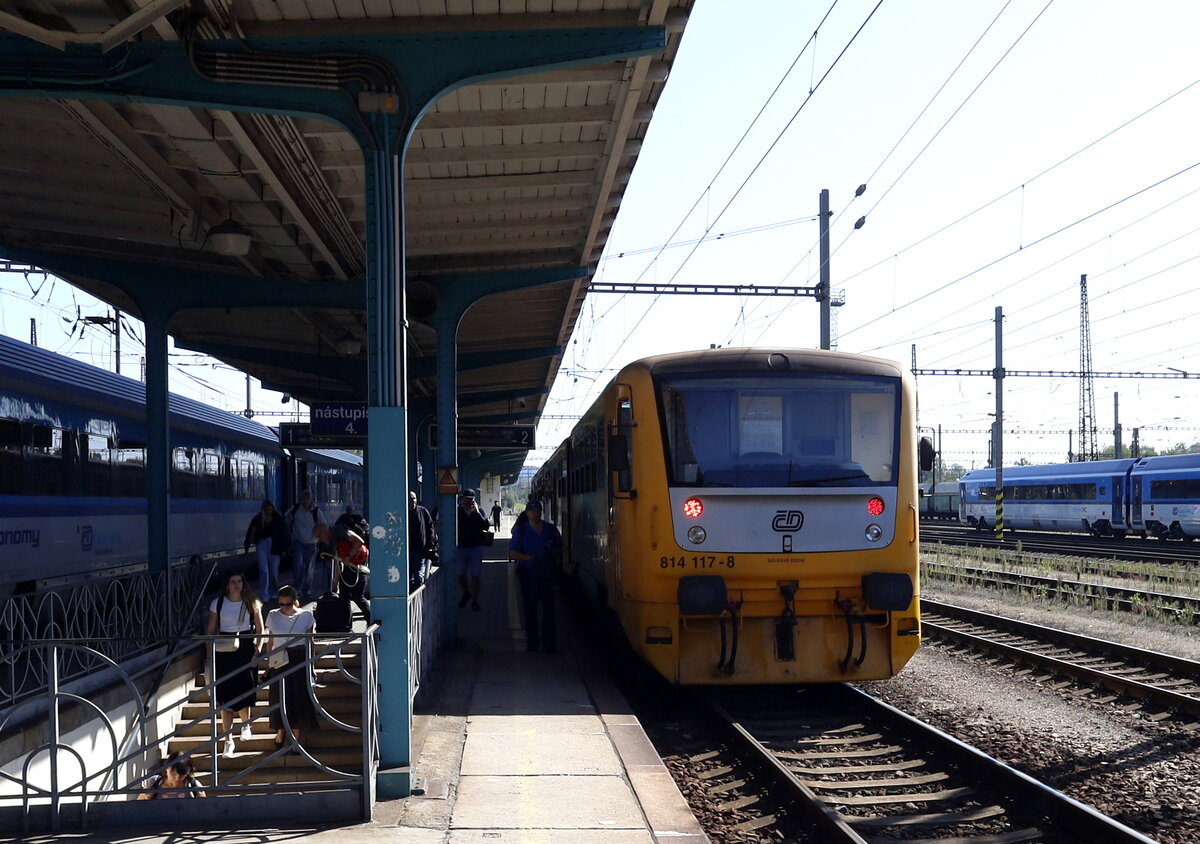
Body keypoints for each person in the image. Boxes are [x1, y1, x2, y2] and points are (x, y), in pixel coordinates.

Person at [205, 573, 263, 758]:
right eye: (233, 582)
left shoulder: (251, 602)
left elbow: (261, 629)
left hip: (245, 646)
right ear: (227, 585)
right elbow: (210, 631)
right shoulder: (218, 603)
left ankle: (246, 725)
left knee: (245, 689)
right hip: (224, 649)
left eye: (239, 581)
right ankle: (227, 740)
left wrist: (258, 650)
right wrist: (209, 656)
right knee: (224, 696)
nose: (237, 585)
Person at [262, 585, 317, 751]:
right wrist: (268, 664)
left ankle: (296, 735)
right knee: (279, 696)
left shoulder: (306, 615)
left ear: (295, 602)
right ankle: (280, 729)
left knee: (298, 696)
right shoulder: (273, 615)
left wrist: (312, 664)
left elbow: (310, 641)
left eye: (287, 604)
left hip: (299, 657)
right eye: (281, 604)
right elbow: (270, 641)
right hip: (280, 659)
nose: (284, 607)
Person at [508, 500, 563, 653]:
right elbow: (512, 553)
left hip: (547, 574)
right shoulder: (521, 531)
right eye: (532, 511)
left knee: (549, 610)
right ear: (527, 513)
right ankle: (532, 643)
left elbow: (560, 548)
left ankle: (549, 644)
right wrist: (531, 558)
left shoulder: (551, 530)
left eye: (537, 510)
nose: (535, 513)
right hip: (528, 574)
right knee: (530, 609)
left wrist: (549, 555)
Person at [455, 490, 491, 611]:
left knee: (475, 575)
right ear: (462, 499)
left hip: (476, 547)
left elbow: (486, 526)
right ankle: (466, 592)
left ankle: (475, 600)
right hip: (461, 547)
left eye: (471, 499)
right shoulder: (458, 511)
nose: (469, 501)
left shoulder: (479, 511)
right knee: (460, 575)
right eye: (467, 499)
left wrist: (476, 513)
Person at [243, 499, 287, 598]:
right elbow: (251, 532)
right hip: (262, 544)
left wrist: (284, 548)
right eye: (267, 507)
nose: (269, 509)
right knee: (264, 570)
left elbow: (284, 534)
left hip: (275, 545)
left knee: (273, 571)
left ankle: (273, 592)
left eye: (270, 507)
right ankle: (264, 594)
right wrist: (247, 544)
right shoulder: (258, 519)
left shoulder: (278, 518)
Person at [286, 491, 324, 599]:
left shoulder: (316, 512)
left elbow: (323, 524)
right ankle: (297, 587)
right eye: (303, 499)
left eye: (307, 499)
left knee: (309, 568)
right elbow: (286, 518)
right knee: (297, 565)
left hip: (311, 543)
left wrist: (320, 537)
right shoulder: (295, 509)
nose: (304, 501)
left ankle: (307, 588)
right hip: (298, 541)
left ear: (311, 500)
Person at [331, 524, 371, 624]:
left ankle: (371, 620)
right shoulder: (341, 541)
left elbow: (339, 562)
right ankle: (345, 625)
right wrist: (335, 582)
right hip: (351, 571)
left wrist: (348, 556)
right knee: (344, 597)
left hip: (358, 570)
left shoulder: (353, 543)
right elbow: (339, 563)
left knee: (357, 597)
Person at [138, 751, 205, 799]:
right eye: (174, 773)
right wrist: (146, 798)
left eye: (182, 775)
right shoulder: (154, 782)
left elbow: (203, 807)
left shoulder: (193, 785)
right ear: (166, 768)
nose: (177, 778)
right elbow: (138, 805)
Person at [409, 491, 434, 589]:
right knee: (407, 577)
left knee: (418, 576)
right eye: (410, 499)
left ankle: (418, 600)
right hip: (406, 551)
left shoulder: (423, 511)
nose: (412, 501)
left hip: (420, 550)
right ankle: (409, 600)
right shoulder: (402, 512)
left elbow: (430, 526)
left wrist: (430, 544)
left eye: (414, 498)